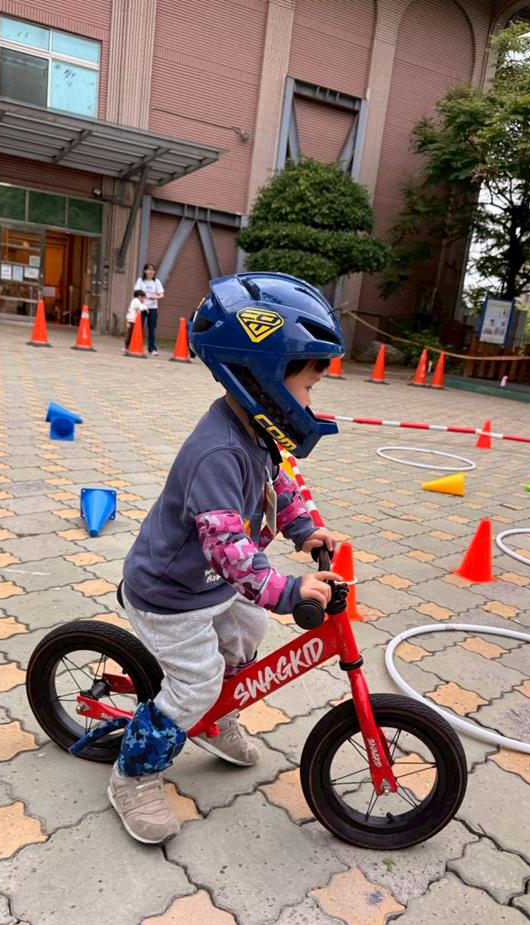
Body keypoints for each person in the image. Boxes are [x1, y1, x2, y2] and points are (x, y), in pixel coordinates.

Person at [98, 272, 345, 844]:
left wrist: (304, 529)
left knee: (248, 628)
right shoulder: (217, 452)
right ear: (263, 377)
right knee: (195, 682)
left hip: (211, 585)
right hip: (171, 594)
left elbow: (276, 485)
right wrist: (288, 591)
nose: (311, 401)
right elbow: (229, 550)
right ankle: (133, 776)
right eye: (308, 386)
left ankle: (214, 716)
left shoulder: (255, 431)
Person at [134, 263, 165, 355]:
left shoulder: (156, 282)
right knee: (139, 327)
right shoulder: (140, 281)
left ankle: (152, 349)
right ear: (145, 271)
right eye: (149, 270)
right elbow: (136, 293)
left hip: (153, 308)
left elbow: (162, 294)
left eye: (153, 270)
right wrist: (143, 297)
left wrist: (156, 297)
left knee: (152, 328)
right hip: (142, 307)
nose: (151, 272)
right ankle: (135, 345)